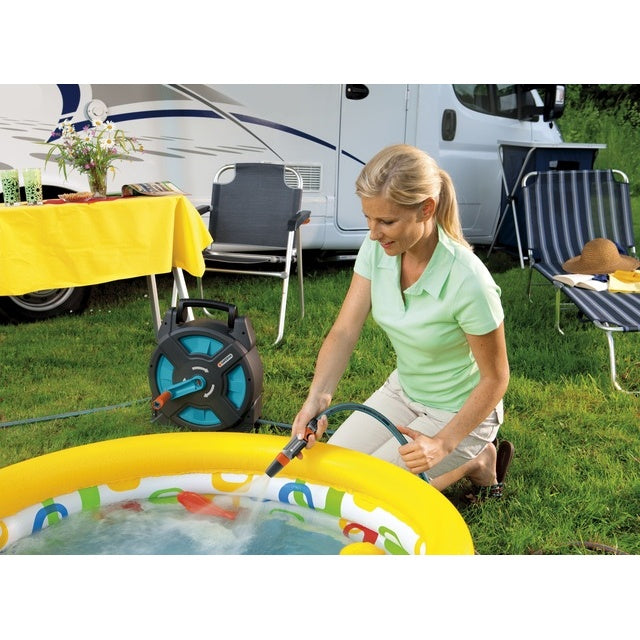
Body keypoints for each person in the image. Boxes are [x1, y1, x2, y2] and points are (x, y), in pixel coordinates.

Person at [291, 144, 513, 499]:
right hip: (402, 393)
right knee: (329, 475)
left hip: (459, 413)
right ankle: (467, 460)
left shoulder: (469, 281)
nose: (373, 233)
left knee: (371, 493)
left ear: (426, 209)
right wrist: (316, 398)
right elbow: (345, 331)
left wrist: (443, 443)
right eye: (369, 218)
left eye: (387, 221)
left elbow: (496, 378)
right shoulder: (378, 250)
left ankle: (475, 458)